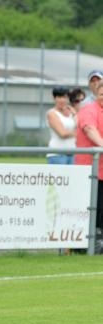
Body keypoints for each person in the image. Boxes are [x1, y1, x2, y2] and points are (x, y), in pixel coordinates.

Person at [75, 82, 103, 247]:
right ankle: (89, 242)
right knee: (93, 208)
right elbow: (90, 130)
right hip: (90, 170)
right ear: (96, 95)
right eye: (102, 94)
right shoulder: (89, 110)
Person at [46, 86, 76, 165]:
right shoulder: (51, 113)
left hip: (73, 153)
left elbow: (79, 126)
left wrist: (75, 114)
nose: (62, 100)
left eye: (64, 97)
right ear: (54, 98)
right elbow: (62, 133)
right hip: (57, 154)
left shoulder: (72, 112)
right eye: (59, 97)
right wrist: (77, 134)